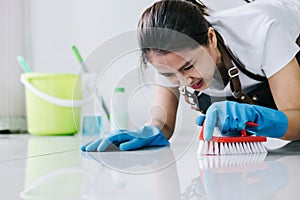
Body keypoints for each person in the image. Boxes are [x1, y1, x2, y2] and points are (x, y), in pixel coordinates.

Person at [81, 0, 300, 152]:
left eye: (188, 66)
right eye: (168, 74)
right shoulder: (167, 55)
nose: (184, 81)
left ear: (211, 39)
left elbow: (297, 119)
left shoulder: (264, 31)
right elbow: (163, 123)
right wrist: (149, 131)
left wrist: (258, 117)